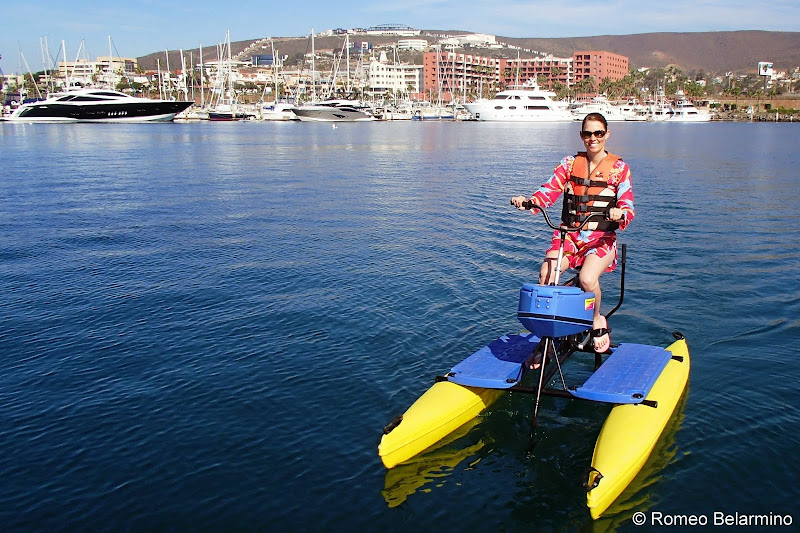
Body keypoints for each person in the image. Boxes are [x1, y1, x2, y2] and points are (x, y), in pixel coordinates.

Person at [511, 112, 634, 352]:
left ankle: (596, 318)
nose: (593, 138)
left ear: (606, 134)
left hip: (601, 240)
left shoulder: (619, 169)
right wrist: (530, 201)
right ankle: (547, 334)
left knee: (588, 279)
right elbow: (549, 189)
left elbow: (628, 204)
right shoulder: (568, 164)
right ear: (581, 136)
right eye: (588, 133)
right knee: (546, 275)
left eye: (598, 133)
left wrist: (621, 212)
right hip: (569, 237)